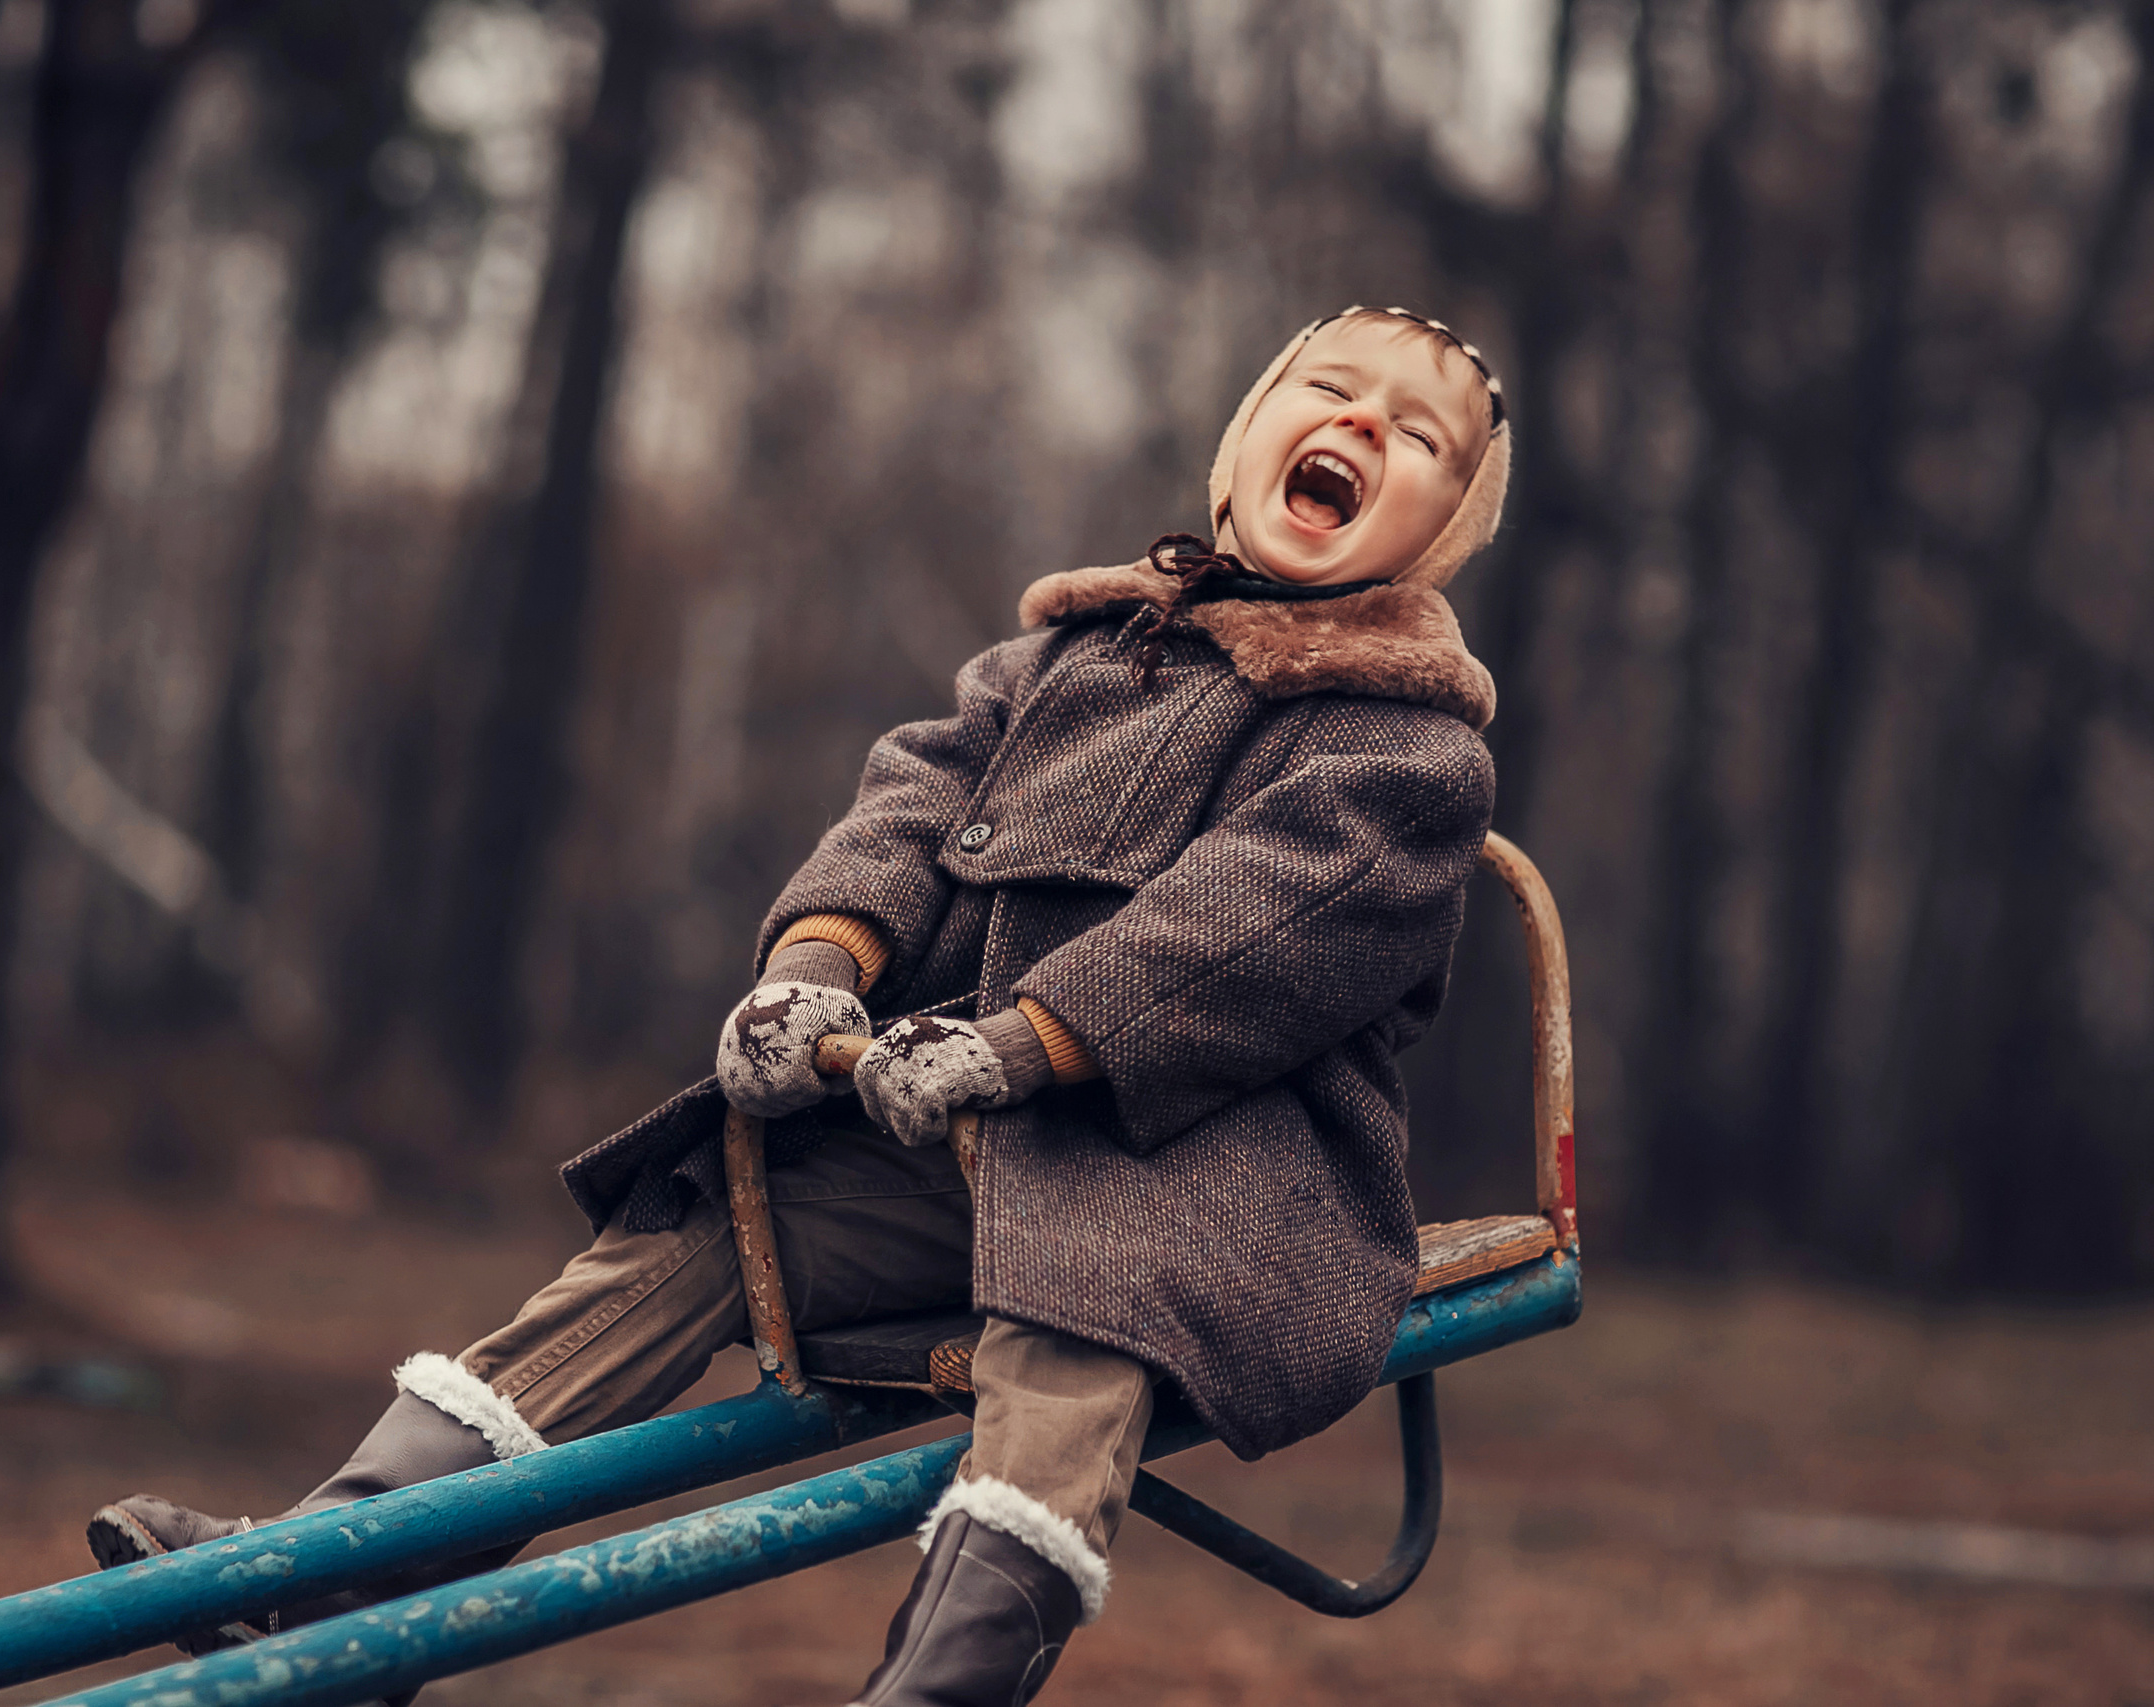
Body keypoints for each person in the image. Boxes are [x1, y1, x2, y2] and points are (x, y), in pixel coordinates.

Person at [85, 304, 1511, 1706]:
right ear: (1248, 437)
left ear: (1438, 531)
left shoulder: (1405, 748)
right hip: (966, 1146)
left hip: (1211, 1181)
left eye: (1418, 434)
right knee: (715, 1212)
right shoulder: (1064, 659)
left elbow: (1249, 932)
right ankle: (329, 1575)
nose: (1363, 426)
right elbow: (909, 803)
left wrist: (1021, 1044)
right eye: (1329, 389)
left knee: (1079, 1332)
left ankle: (935, 1688)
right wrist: (815, 970)